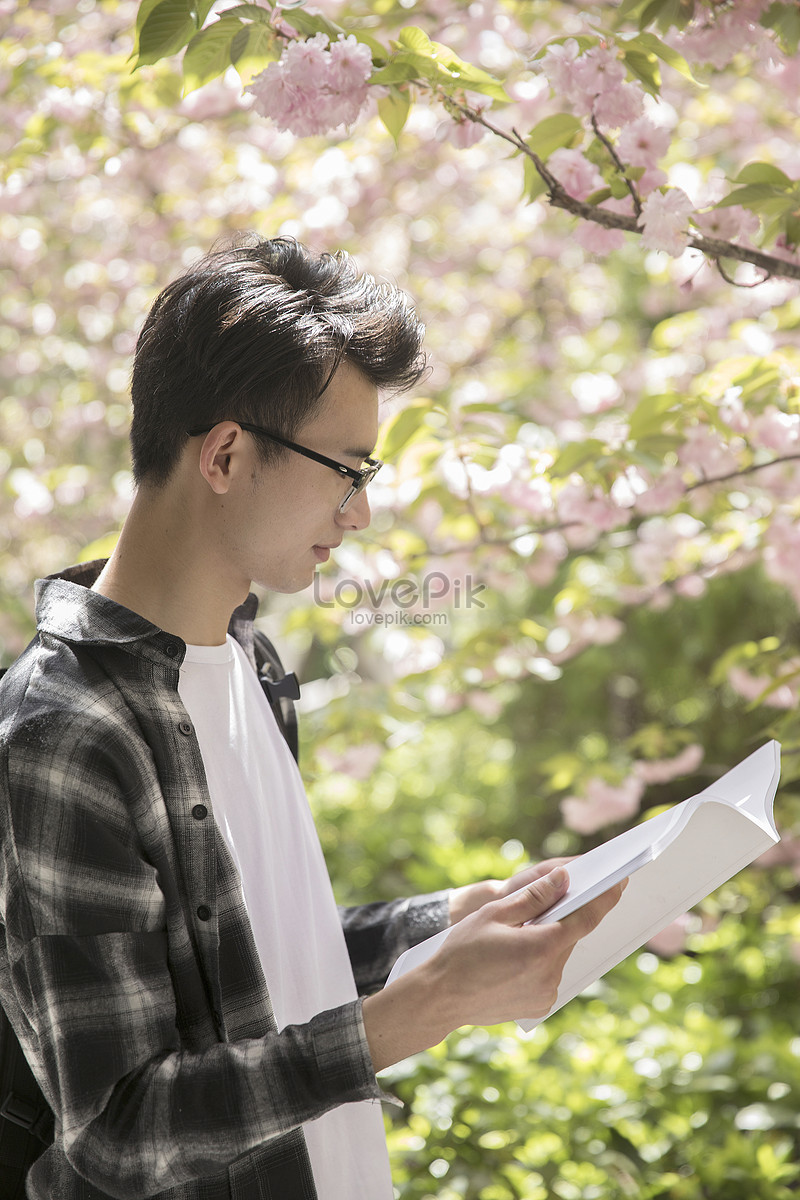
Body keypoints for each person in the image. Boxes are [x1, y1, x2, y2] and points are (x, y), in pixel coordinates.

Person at [0, 235, 624, 1200]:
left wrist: (444, 924)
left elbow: (249, 954)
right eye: (348, 469)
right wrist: (417, 1014)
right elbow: (117, 1131)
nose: (361, 513)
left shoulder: (247, 657)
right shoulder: (66, 732)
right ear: (224, 453)